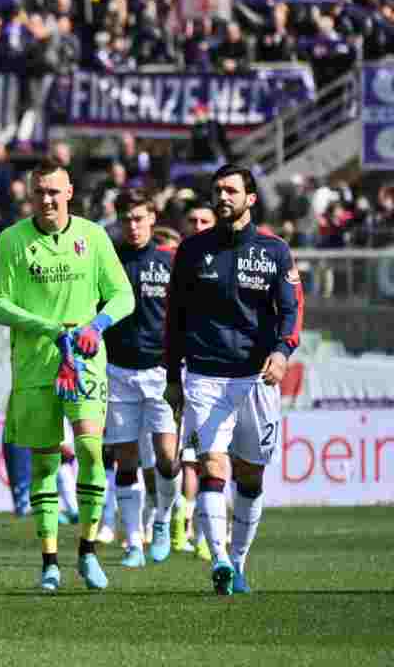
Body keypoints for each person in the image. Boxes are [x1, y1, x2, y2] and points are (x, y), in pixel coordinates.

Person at [0, 158, 134, 592]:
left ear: (69, 192)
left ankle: (87, 551)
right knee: (45, 462)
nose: (47, 199)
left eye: (54, 191)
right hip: (36, 364)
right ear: (30, 195)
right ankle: (49, 560)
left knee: (90, 450)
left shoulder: (94, 236)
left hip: (85, 360)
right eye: (39, 192)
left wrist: (96, 326)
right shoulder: (13, 240)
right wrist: (49, 328)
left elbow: (122, 295)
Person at [164, 164, 303, 595]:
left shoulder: (275, 251)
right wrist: (173, 376)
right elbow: (175, 320)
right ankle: (220, 561)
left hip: (256, 380)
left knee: (250, 476)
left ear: (250, 198)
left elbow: (292, 311)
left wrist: (282, 352)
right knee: (212, 464)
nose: (221, 197)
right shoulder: (191, 251)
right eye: (216, 191)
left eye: (230, 190)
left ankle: (238, 561)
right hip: (204, 375)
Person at [103, 188, 181, 567]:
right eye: (127, 219)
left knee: (167, 459)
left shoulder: (170, 263)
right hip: (117, 371)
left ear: (153, 217)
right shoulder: (110, 263)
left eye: (140, 218)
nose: (133, 226)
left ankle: (163, 520)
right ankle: (134, 542)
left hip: (160, 372)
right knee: (126, 462)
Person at [177, 199, 217, 558]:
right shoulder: (182, 262)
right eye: (194, 220)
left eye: (206, 219)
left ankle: (207, 531)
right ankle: (186, 524)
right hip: (193, 372)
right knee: (193, 457)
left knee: (222, 459)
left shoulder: (233, 259)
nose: (200, 225)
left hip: (236, 372)